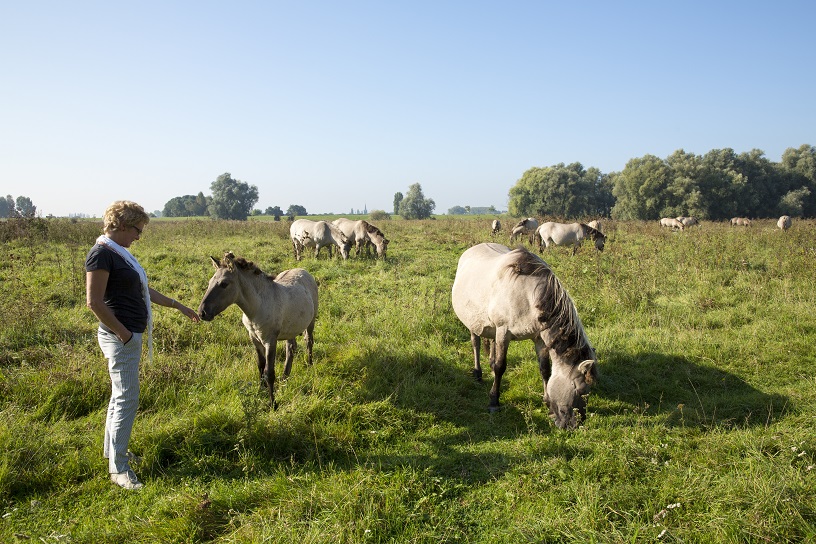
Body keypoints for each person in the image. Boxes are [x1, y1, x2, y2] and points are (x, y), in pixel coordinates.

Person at [85, 200, 200, 490]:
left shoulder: (118, 253)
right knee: (127, 398)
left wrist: (178, 306)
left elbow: (142, 288)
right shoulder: (101, 254)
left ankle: (112, 453)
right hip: (120, 337)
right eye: (137, 229)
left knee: (118, 396)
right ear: (122, 225)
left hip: (126, 335)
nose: (139, 236)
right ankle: (119, 469)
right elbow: (94, 302)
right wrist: (124, 334)